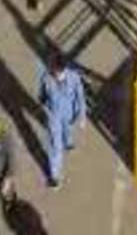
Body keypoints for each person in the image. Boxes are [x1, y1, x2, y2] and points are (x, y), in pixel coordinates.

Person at [38, 46, 87, 190]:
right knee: (55, 146)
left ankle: (69, 141)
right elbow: (42, 95)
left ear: (62, 69)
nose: (54, 75)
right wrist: (46, 108)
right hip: (54, 116)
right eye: (52, 71)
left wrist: (82, 116)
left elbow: (80, 97)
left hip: (69, 113)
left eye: (56, 72)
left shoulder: (74, 77)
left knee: (68, 129)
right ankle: (55, 176)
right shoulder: (46, 78)